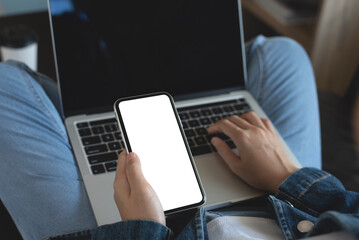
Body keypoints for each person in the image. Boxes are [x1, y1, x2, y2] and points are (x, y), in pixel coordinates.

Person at [0, 35, 357, 240]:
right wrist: (289, 176)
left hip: (156, 230)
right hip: (284, 207)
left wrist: (145, 229)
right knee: (281, 51)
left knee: (7, 81)